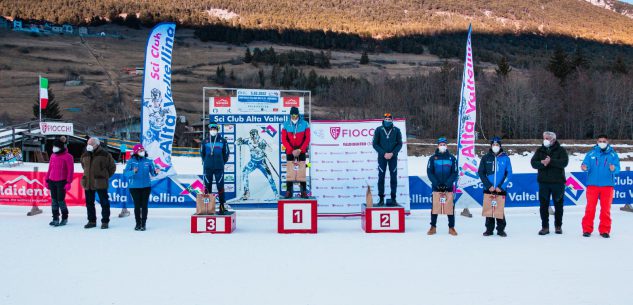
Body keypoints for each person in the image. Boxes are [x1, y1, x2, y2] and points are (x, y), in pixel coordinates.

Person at [581, 134, 621, 238]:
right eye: (600, 141)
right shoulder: (591, 154)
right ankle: (587, 229)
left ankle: (605, 230)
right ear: (597, 142)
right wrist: (584, 167)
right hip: (592, 185)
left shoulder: (613, 155)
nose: (602, 143)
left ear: (607, 142)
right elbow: (585, 165)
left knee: (606, 209)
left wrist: (614, 169)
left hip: (607, 186)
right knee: (590, 208)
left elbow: (617, 168)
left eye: (604, 141)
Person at [530, 131, 569, 235]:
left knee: (559, 205)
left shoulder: (561, 150)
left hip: (558, 182)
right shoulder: (540, 150)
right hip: (544, 183)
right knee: (543, 206)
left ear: (553, 139)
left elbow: (564, 163)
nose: (545, 140)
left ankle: (558, 226)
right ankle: (545, 227)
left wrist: (551, 161)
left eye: (547, 138)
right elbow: (533, 163)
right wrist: (542, 163)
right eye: (544, 138)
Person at [478, 137, 513, 237]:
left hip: (500, 189)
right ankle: (489, 229)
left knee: (499, 209)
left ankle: (501, 230)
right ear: (491, 146)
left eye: (497, 145)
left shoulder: (506, 158)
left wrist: (501, 187)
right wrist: (488, 186)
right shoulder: (485, 158)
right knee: (489, 209)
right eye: (493, 145)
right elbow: (481, 172)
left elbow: (509, 173)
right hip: (489, 189)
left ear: (500, 146)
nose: (495, 146)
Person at [80, 137, 116, 229]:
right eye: (88, 144)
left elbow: (112, 167)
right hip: (88, 183)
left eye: (91, 144)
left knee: (104, 202)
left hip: (101, 183)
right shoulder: (85, 155)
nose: (89, 146)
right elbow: (83, 166)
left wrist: (105, 176)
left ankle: (105, 221)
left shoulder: (105, 154)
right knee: (89, 203)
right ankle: (91, 221)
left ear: (97, 145)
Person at [426, 137, 458, 236]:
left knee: (450, 207)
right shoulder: (433, 158)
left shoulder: (452, 158)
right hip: (436, 186)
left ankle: (451, 227)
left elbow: (455, 172)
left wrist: (447, 184)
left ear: (446, 146)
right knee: (435, 206)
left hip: (448, 186)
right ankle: (433, 227)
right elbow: (429, 172)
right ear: (438, 146)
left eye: (444, 144)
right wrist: (437, 184)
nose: (442, 146)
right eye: (441, 144)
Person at [123, 144, 159, 231]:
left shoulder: (148, 161)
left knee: (144, 205)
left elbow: (153, 173)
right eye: (140, 150)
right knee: (137, 205)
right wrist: (133, 172)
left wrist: (156, 172)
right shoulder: (131, 161)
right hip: (134, 187)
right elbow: (126, 174)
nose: (142, 152)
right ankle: (138, 224)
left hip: (146, 187)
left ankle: (143, 224)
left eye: (143, 150)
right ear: (136, 152)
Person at [237, 128, 279, 200]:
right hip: (253, 162)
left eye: (254, 135)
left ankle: (276, 193)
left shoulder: (262, 141)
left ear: (257, 135)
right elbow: (237, 143)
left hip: (261, 162)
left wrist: (264, 148)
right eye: (252, 135)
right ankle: (246, 192)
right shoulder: (248, 140)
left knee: (269, 177)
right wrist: (239, 141)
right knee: (244, 172)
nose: (253, 138)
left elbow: (270, 150)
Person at [372, 113, 403, 206]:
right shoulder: (378, 130)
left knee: (393, 178)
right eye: (386, 119)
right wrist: (384, 153)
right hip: (382, 157)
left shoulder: (397, 130)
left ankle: (393, 198)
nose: (388, 120)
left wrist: (392, 153)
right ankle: (381, 198)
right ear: (383, 119)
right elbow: (375, 144)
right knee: (381, 177)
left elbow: (400, 144)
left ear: (392, 120)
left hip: (393, 157)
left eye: (390, 119)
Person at [281, 106, 311, 198]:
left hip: (301, 150)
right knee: (290, 171)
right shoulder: (286, 124)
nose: (294, 117)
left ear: (298, 115)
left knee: (301, 170)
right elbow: (284, 139)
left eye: (296, 115)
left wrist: (300, 149)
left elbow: (307, 138)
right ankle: (289, 191)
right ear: (290, 115)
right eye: (292, 115)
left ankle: (303, 191)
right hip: (290, 150)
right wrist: (291, 150)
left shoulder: (305, 124)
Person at [201, 122, 230, 214]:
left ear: (217, 130)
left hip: (219, 168)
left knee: (220, 186)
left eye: (214, 129)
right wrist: (206, 162)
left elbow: (226, 153)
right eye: (211, 129)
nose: (212, 131)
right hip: (208, 168)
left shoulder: (223, 141)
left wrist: (221, 162)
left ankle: (222, 205)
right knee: (207, 187)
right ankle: (208, 207)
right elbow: (202, 154)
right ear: (209, 130)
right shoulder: (205, 141)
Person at [45, 139, 74, 227]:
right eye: (53, 146)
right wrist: (47, 179)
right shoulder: (53, 155)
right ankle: (55, 218)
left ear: (61, 147)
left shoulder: (68, 156)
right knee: (54, 201)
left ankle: (64, 218)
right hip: (52, 180)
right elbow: (50, 168)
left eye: (56, 146)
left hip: (61, 181)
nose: (54, 148)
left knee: (60, 200)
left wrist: (68, 182)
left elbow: (70, 170)